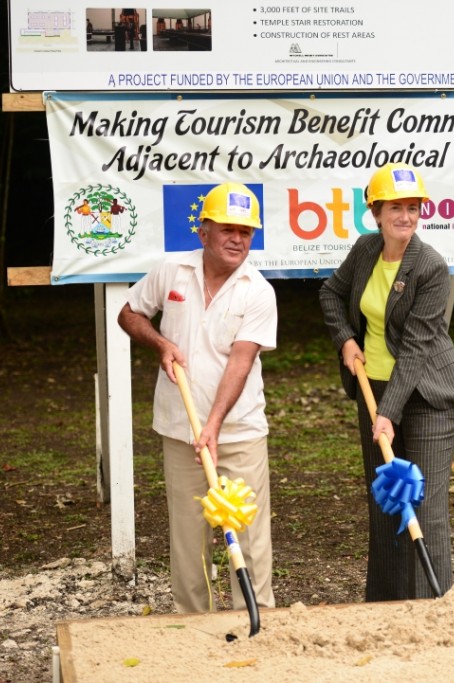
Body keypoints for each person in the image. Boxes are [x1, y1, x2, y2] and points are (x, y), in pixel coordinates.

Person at [117, 181, 277, 613]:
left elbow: (241, 362)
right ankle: (192, 625)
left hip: (239, 432)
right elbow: (129, 313)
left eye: (246, 232)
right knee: (188, 539)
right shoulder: (171, 271)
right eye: (227, 229)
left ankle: (256, 619)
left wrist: (214, 426)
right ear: (203, 232)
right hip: (179, 428)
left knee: (249, 536)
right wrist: (160, 344)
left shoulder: (258, 290)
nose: (237, 239)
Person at [319, 162, 454, 601]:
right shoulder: (366, 250)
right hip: (375, 390)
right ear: (376, 212)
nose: (406, 216)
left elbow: (417, 349)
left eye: (413, 207)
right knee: (387, 504)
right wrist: (346, 340)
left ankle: (433, 610)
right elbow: (330, 293)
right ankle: (384, 608)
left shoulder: (430, 267)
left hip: (428, 396)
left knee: (423, 507)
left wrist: (388, 413)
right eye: (396, 208)